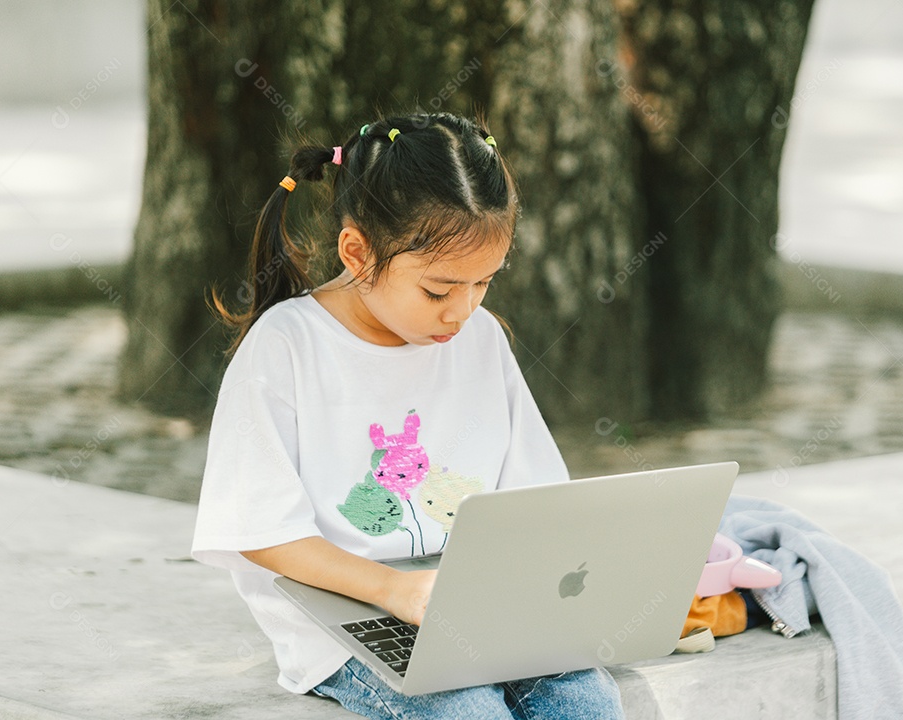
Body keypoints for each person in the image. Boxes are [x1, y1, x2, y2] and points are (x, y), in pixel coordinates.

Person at [190, 112, 626, 719]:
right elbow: (262, 531)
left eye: (484, 284)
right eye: (438, 291)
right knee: (467, 711)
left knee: (588, 700)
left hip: (475, 601)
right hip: (346, 613)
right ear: (357, 252)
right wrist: (394, 589)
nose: (462, 312)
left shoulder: (480, 338)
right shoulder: (287, 346)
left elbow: (533, 497)